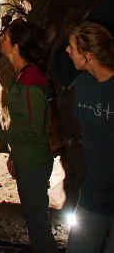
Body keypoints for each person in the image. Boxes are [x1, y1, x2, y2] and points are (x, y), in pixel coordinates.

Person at [0, 19, 57, 253]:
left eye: (5, 37)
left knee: (37, 221)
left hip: (34, 160)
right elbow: (24, 122)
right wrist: (14, 155)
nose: (1, 40)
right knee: (34, 216)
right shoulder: (23, 76)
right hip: (26, 157)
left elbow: (32, 128)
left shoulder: (30, 79)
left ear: (16, 46)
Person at [65, 20, 114, 253]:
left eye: (72, 47)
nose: (67, 50)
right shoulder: (81, 85)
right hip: (93, 195)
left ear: (87, 55)